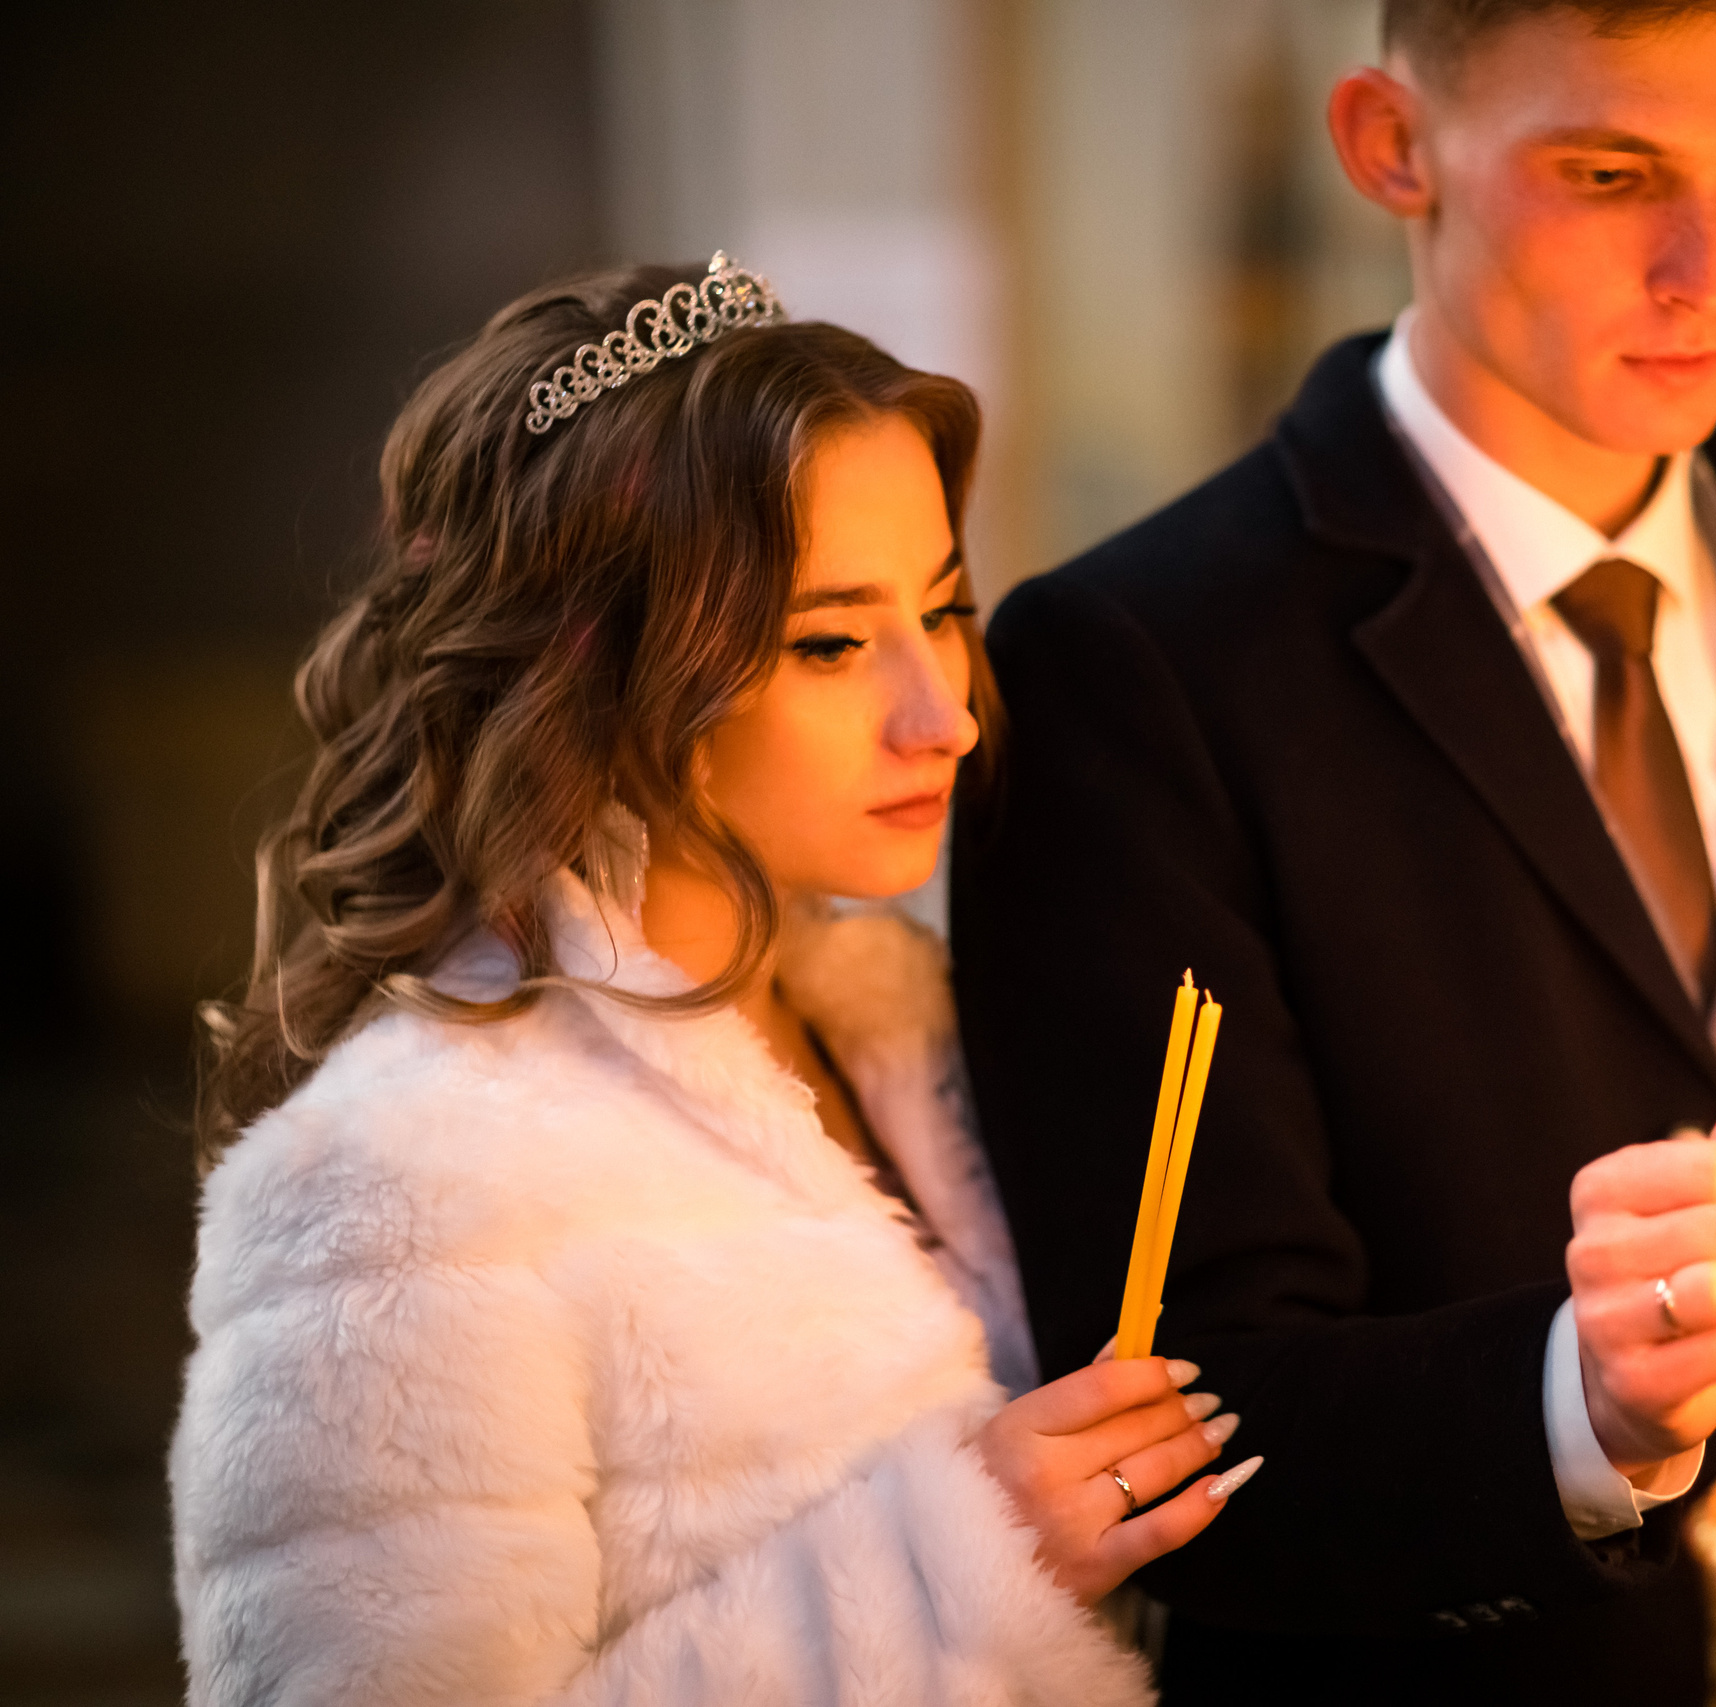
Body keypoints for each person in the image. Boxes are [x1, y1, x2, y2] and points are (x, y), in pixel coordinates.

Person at [950, 1, 1716, 1700]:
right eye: (1612, 174)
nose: (1711, 266)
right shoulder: (1135, 665)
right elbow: (1175, 1427)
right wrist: (1575, 1402)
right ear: (1393, 146)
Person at [169, 257, 1261, 1707]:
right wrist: (964, 1564)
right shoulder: (403, 1173)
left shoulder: (913, 1022)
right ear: (607, 668)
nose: (942, 715)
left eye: (940, 612)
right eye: (828, 644)